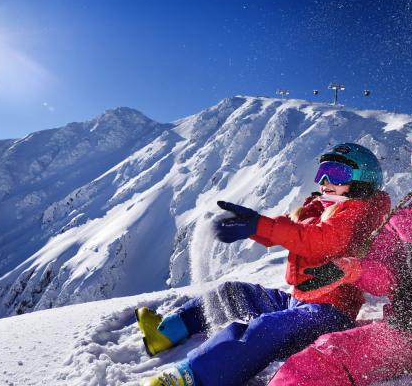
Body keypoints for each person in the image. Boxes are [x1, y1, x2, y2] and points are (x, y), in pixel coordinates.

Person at [137, 143, 391, 386]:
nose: (324, 181)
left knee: (265, 329)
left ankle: (194, 377)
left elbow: (319, 241)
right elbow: (292, 231)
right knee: (233, 293)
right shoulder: (320, 207)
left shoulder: (356, 216)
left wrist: (260, 225)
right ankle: (168, 330)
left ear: (362, 182)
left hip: (329, 315)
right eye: (322, 172)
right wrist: (252, 226)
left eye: (335, 173)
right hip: (301, 302)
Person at [268, 119, 412, 386]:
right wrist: (351, 269)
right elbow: (384, 274)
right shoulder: (405, 218)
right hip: (404, 334)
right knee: (317, 361)